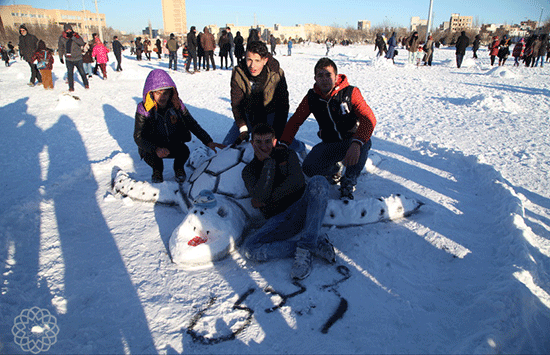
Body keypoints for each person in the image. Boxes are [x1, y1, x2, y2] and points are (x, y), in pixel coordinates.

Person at [241, 123, 336, 280]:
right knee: (250, 249)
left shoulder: (288, 155)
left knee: (319, 181)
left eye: (267, 141)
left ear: (275, 141)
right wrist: (268, 165)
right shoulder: (249, 171)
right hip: (278, 220)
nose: (263, 146)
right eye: (258, 142)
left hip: (301, 209)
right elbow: (260, 195)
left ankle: (305, 250)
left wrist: (266, 200)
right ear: (252, 143)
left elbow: (297, 183)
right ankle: (313, 244)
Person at [279, 57, 377, 200]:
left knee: (364, 144)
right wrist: (283, 144)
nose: (324, 79)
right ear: (315, 78)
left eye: (328, 75)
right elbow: (295, 121)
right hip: (330, 143)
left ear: (336, 76)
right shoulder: (311, 98)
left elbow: (369, 119)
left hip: (351, 141)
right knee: (309, 168)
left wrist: (357, 143)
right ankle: (335, 170)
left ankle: (349, 180)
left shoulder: (351, 93)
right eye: (320, 75)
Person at [134, 69, 225, 183]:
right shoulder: (143, 109)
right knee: (150, 155)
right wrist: (156, 149)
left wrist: (208, 141)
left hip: (172, 143)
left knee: (184, 151)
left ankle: (179, 168)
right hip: (154, 145)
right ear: (151, 93)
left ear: (171, 92)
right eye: (158, 93)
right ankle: (157, 171)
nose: (162, 97)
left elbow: (192, 124)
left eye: (165, 93)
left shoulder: (176, 104)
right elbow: (138, 136)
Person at [223, 41, 305, 157]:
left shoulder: (276, 74)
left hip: (270, 115)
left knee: (282, 142)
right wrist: (242, 127)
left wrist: (277, 131)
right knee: (227, 145)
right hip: (248, 115)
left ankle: (300, 148)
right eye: (249, 59)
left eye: (257, 61)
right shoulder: (238, 73)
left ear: (265, 60)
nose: (252, 65)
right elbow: (236, 104)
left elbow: (283, 105)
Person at [58, 24, 89, 92]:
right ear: (65, 30)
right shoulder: (62, 38)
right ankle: (71, 87)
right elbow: (60, 48)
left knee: (82, 72)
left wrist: (73, 38)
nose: (68, 31)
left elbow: (82, 43)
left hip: (78, 58)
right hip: (69, 59)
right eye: (67, 30)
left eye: (69, 29)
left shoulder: (76, 35)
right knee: (70, 73)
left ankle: (86, 84)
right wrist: (61, 57)